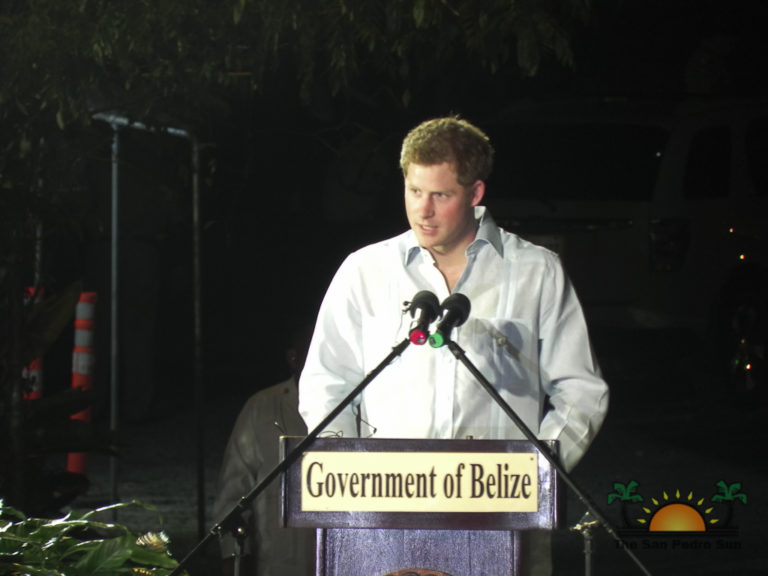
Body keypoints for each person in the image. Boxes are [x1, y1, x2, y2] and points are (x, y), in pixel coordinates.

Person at [298, 116, 609, 575]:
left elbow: (581, 391)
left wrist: (537, 474)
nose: (423, 210)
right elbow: (327, 382)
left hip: (504, 516)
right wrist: (350, 474)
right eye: (413, 191)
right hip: (385, 515)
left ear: (476, 194)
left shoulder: (536, 272)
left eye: (440, 196)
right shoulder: (363, 272)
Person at [212, 324, 315, 576]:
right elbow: (232, 493)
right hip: (276, 564)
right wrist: (232, 559)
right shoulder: (262, 407)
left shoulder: (360, 405)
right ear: (293, 357)